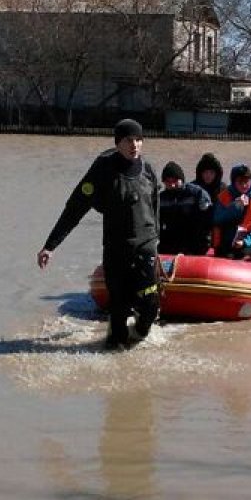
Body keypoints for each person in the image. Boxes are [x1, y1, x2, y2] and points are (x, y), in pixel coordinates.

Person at [37, 118, 160, 350]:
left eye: (138, 140)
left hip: (146, 247)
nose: (134, 145)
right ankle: (116, 348)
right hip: (117, 250)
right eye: (128, 140)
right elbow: (75, 208)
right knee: (119, 312)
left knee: (150, 305)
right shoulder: (103, 171)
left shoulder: (149, 170)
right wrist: (50, 245)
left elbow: (156, 208)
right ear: (117, 143)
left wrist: (157, 242)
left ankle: (140, 332)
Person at [212, 163, 251, 259]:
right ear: (234, 182)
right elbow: (217, 220)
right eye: (240, 182)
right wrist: (234, 207)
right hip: (228, 241)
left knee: (243, 254)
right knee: (226, 254)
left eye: (246, 182)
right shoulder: (224, 196)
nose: (244, 185)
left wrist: (245, 242)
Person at [158, 161, 212, 255]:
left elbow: (207, 220)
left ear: (181, 179)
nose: (172, 185)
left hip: (194, 241)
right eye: (168, 182)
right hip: (171, 242)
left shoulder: (196, 193)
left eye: (175, 181)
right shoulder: (161, 199)